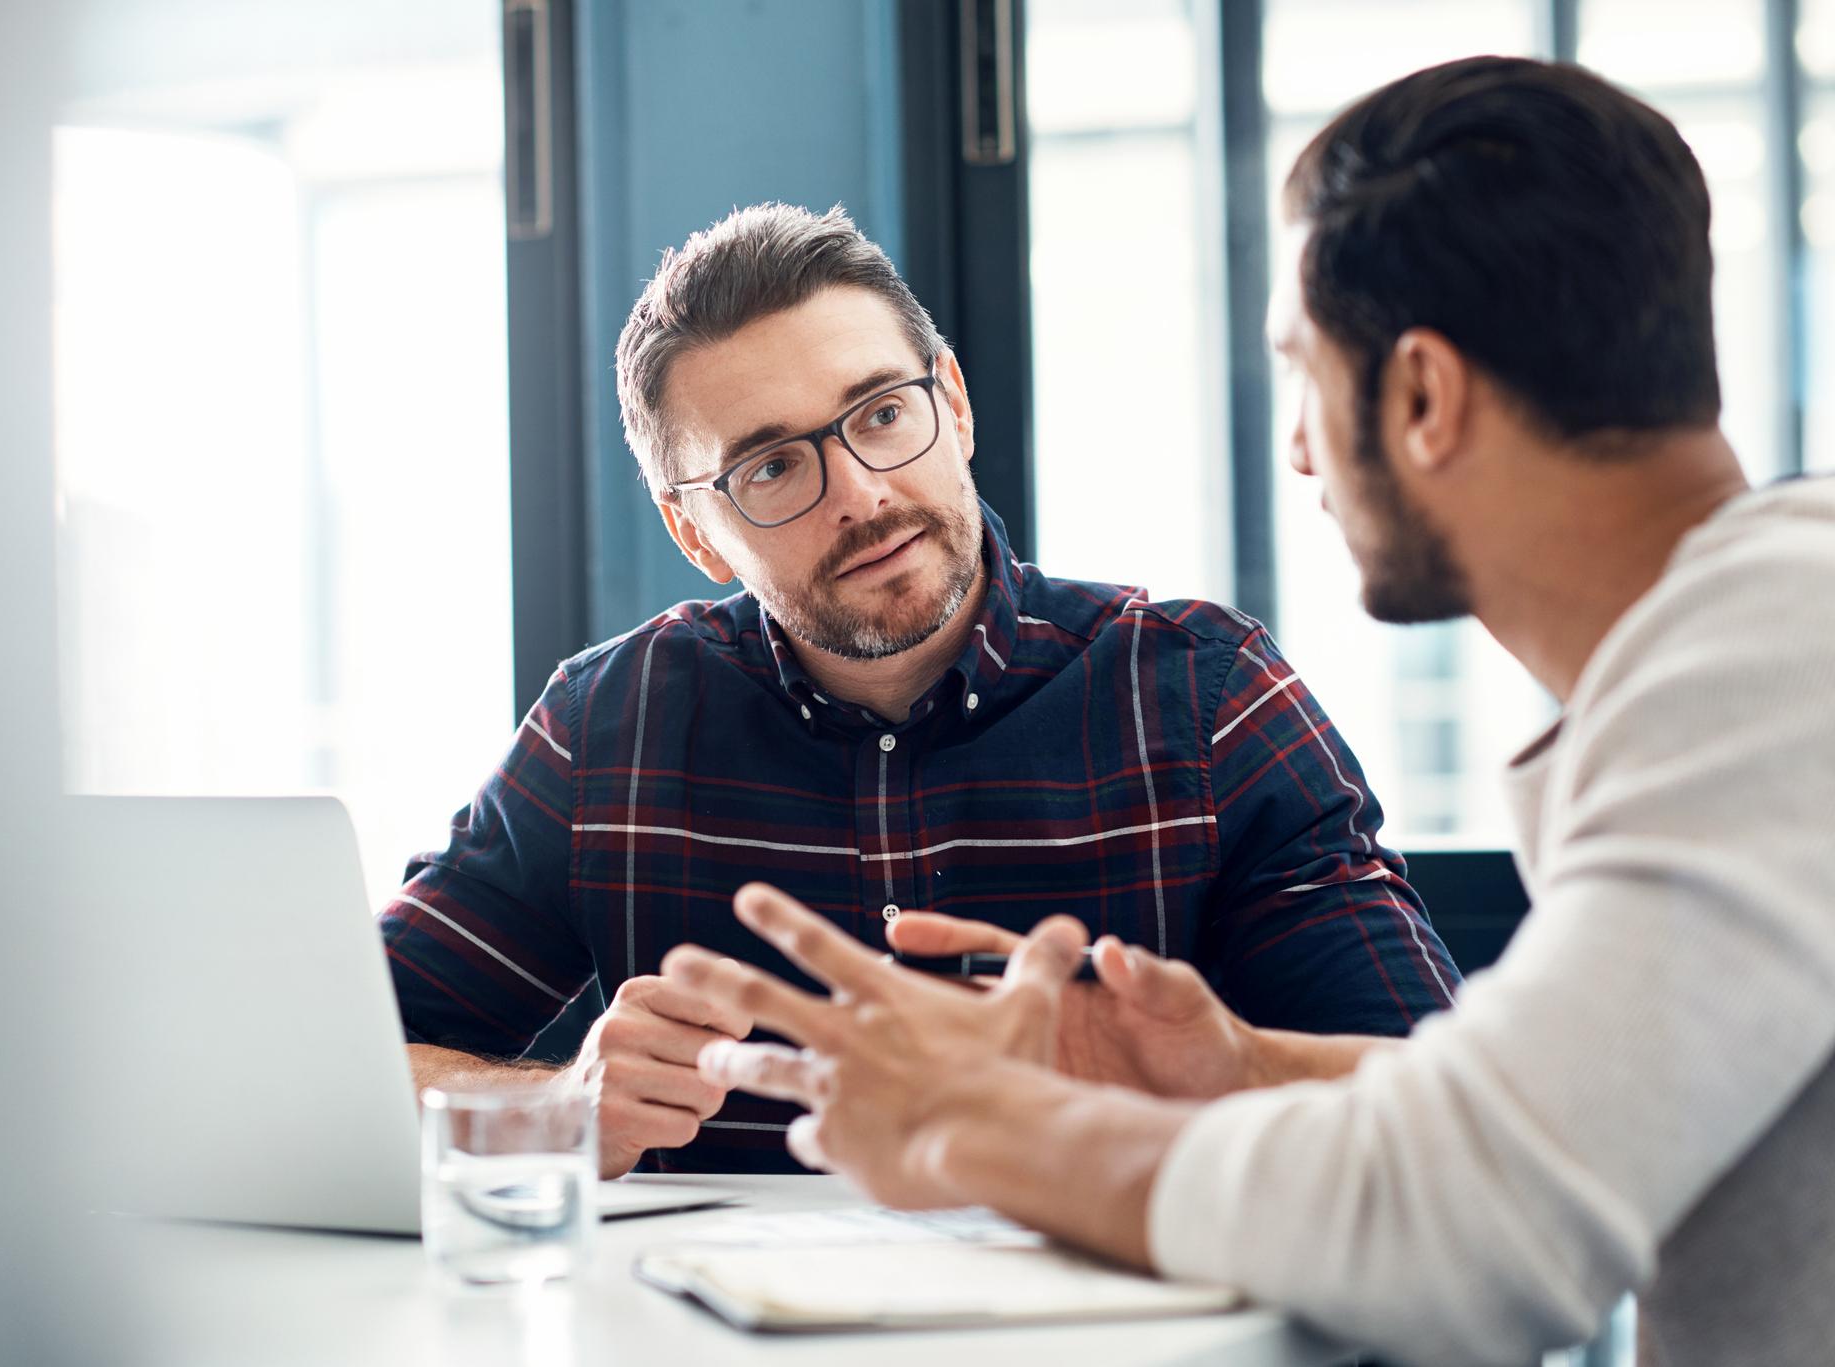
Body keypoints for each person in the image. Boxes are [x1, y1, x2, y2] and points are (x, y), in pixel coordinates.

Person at [665, 57, 1835, 1366]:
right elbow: (1556, 1116)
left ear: (1423, 398)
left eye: (1302, 372)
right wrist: (1236, 1061)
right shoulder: (1758, 639)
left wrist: (980, 1124)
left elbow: (1468, 1232)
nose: (1295, 447)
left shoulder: (1780, 655)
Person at [379, 201, 1458, 1178]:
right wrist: (552, 1108)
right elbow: (335, 1066)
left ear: (953, 403)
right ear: (691, 531)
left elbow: (1435, 1110)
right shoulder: (602, 729)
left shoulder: (1206, 696)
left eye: (882, 412)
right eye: (770, 467)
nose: (859, 490)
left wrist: (1204, 1072)